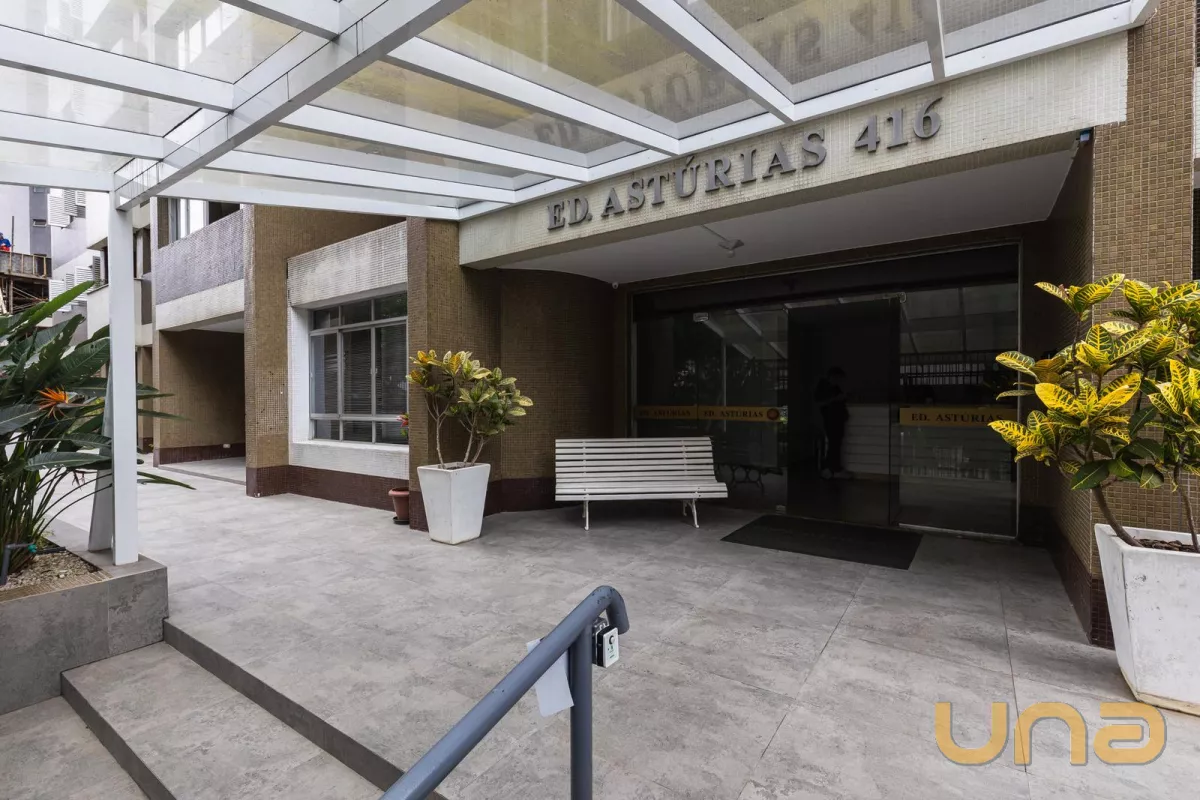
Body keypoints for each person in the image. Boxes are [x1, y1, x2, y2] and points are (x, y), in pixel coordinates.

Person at [814, 366, 852, 479]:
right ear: (833, 376)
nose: (839, 381)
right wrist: (835, 399)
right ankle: (832, 469)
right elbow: (819, 402)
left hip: (837, 420)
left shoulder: (835, 388)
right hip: (830, 420)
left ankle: (832, 469)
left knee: (835, 445)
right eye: (839, 378)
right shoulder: (823, 387)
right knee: (833, 445)